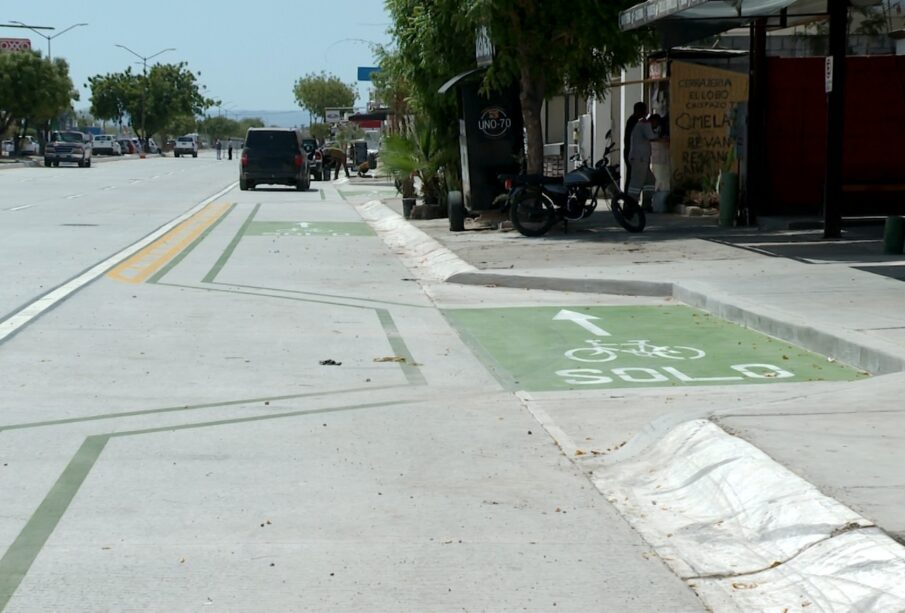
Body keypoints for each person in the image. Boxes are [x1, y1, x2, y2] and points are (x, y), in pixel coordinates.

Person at [627, 113, 661, 207]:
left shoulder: (641, 124)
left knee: (650, 180)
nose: (655, 126)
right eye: (656, 124)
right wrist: (658, 133)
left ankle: (647, 203)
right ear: (654, 121)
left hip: (641, 159)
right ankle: (631, 204)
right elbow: (651, 136)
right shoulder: (645, 124)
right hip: (639, 158)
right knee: (636, 182)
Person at [623, 101, 647, 190]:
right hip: (632, 153)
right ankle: (628, 198)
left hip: (630, 152)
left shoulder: (633, 120)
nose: (645, 113)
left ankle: (628, 198)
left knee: (632, 176)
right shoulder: (634, 122)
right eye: (644, 111)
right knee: (632, 177)